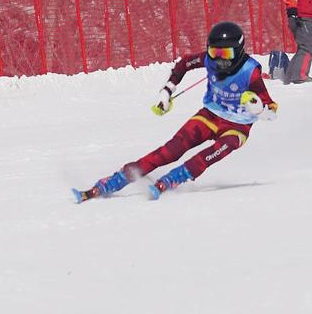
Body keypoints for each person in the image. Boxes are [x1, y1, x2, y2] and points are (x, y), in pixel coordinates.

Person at [74, 21, 278, 201]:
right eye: (214, 53)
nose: (219, 60)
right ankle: (115, 180)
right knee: (171, 150)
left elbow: (271, 109)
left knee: (210, 154)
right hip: (210, 116)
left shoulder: (250, 71)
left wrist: (260, 110)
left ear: (239, 51)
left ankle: (174, 178)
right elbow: (183, 64)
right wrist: (167, 91)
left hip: (237, 127)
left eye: (225, 54)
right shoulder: (208, 60)